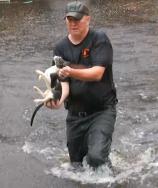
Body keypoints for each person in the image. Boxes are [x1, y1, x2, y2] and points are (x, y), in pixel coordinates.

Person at [45, 1, 117, 169]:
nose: (73, 23)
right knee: (76, 164)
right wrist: (58, 100)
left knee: (96, 157)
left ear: (88, 19)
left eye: (77, 19)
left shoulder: (100, 39)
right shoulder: (60, 48)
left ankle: (111, 178)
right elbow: (64, 84)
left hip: (102, 110)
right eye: (69, 19)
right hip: (75, 114)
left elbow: (97, 73)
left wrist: (70, 71)